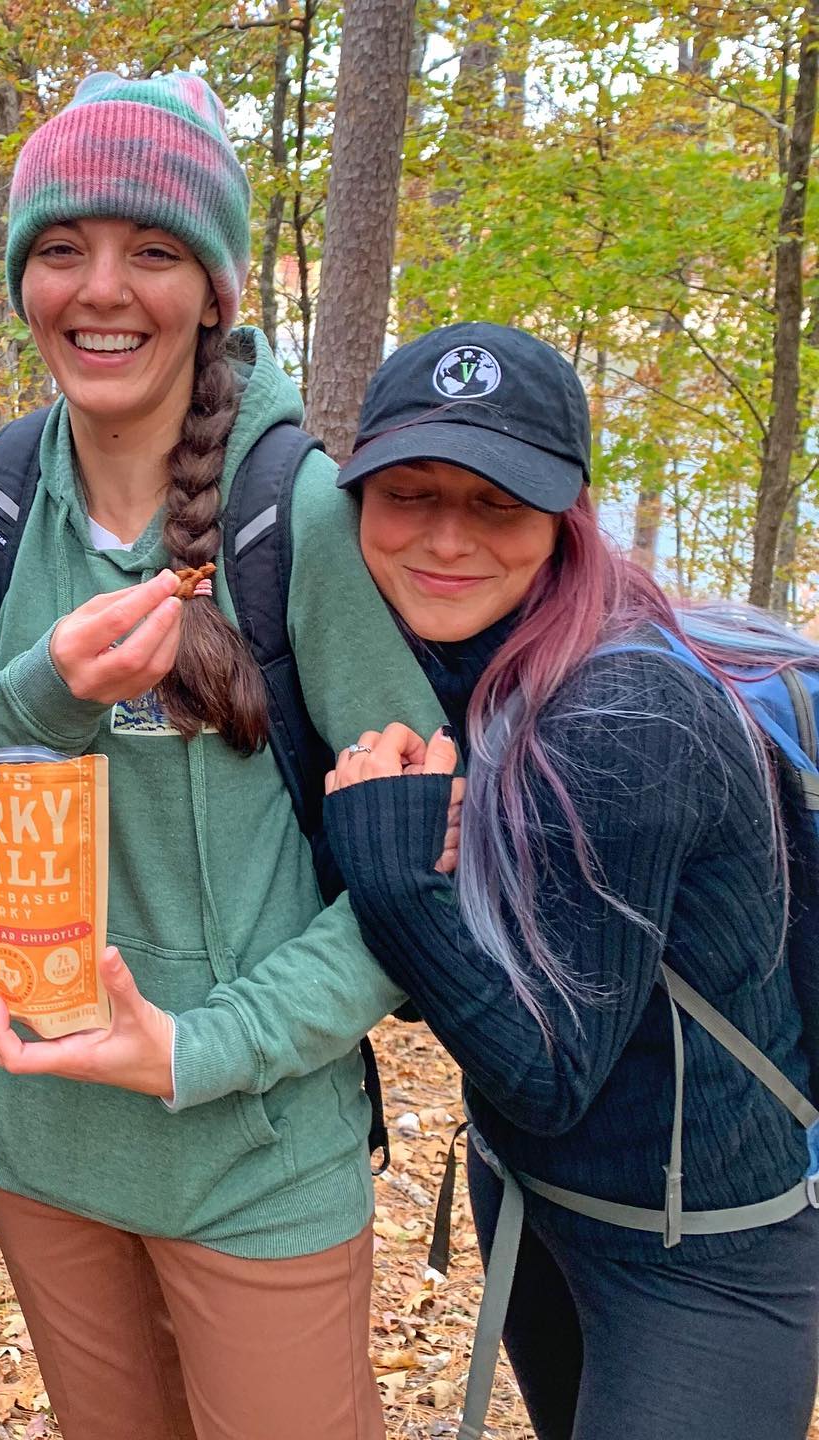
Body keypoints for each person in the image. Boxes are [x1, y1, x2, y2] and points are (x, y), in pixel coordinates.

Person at [0, 73, 451, 1440]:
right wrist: (46, 695)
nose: (101, 289)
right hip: (38, 1142)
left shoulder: (296, 510)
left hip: (251, 1150)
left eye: (152, 250)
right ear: (24, 279)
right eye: (62, 248)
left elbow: (413, 857)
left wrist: (197, 1046)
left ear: (215, 287)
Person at [322, 321, 819, 1440]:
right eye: (408, 493)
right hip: (540, 1207)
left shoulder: (626, 715)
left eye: (496, 502)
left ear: (565, 518)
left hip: (704, 1262)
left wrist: (393, 876)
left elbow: (546, 1073)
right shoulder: (464, 664)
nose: (447, 537)